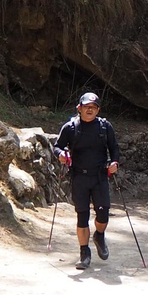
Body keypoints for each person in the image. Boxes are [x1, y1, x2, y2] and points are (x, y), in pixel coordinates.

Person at [53, 92, 120, 269]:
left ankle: (99, 235)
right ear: (79, 108)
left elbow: (114, 148)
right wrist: (61, 154)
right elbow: (57, 146)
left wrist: (114, 162)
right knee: (82, 217)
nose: (90, 110)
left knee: (103, 215)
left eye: (93, 107)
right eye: (86, 107)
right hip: (79, 177)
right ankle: (84, 253)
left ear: (98, 110)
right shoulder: (70, 128)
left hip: (100, 177)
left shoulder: (105, 127)